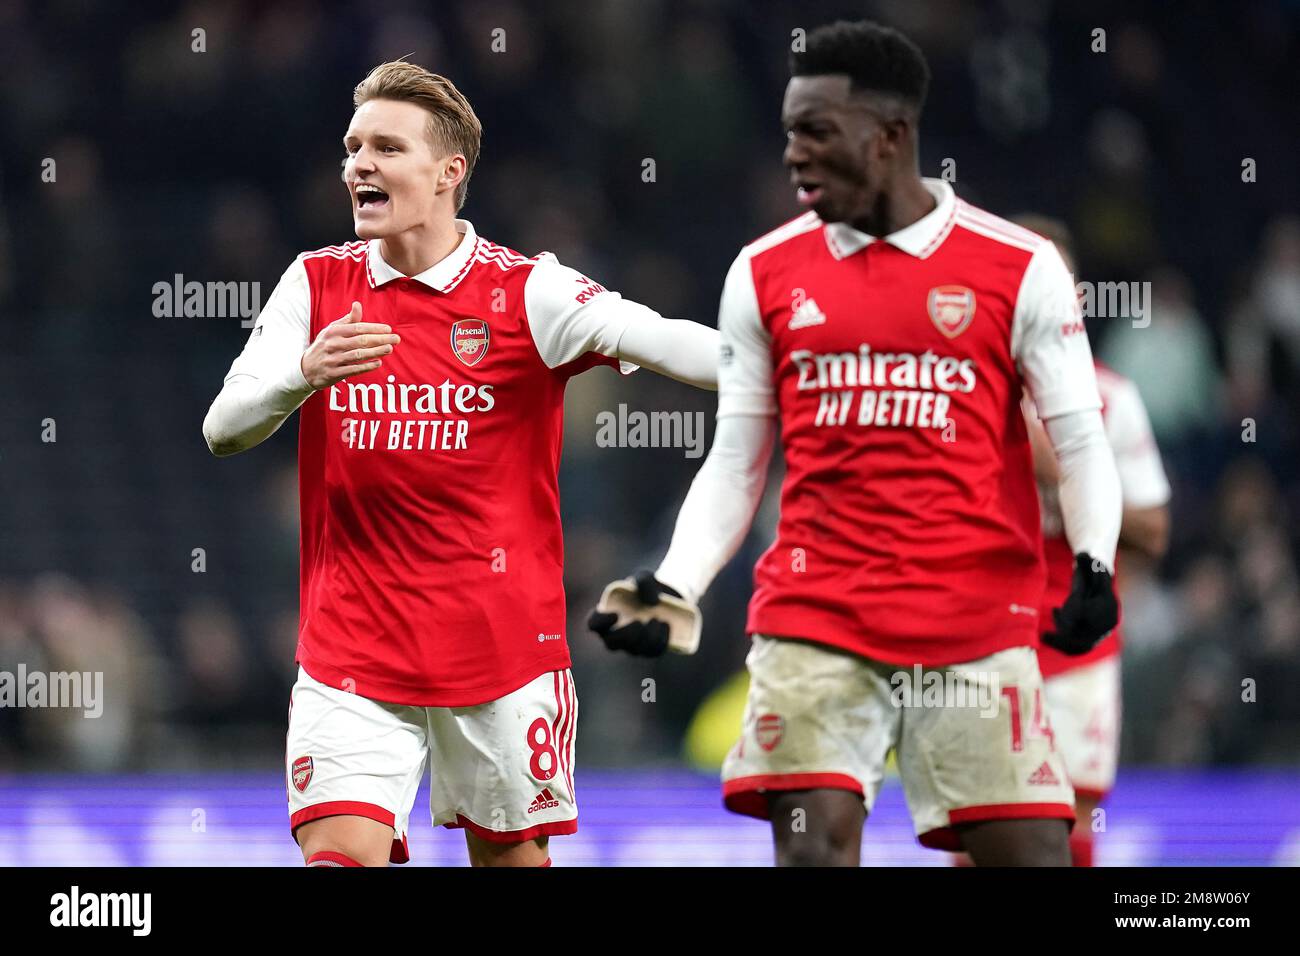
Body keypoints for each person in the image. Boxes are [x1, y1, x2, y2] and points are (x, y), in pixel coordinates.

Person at [590, 20, 1121, 866]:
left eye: (817, 131)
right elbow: (736, 460)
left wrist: (1093, 558)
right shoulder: (763, 272)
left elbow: (1084, 442)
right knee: (813, 848)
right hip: (818, 617)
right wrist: (674, 581)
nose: (794, 154)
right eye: (790, 130)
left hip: (976, 622)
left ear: (890, 137)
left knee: (1033, 858)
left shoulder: (1017, 266)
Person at [203, 60, 718, 867]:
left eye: (385, 147)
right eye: (352, 147)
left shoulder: (528, 293)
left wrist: (793, 363)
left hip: (502, 652)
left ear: (448, 173)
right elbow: (223, 428)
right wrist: (304, 373)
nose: (359, 164)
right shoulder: (316, 282)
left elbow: (662, 339)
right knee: (339, 857)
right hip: (353, 654)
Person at [1016, 215, 1171, 867]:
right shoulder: (962, 401)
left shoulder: (1112, 398)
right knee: (975, 815)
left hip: (1080, 646)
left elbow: (1153, 532)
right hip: (981, 641)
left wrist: (1064, 471)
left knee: (1072, 816)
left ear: (1075, 296)